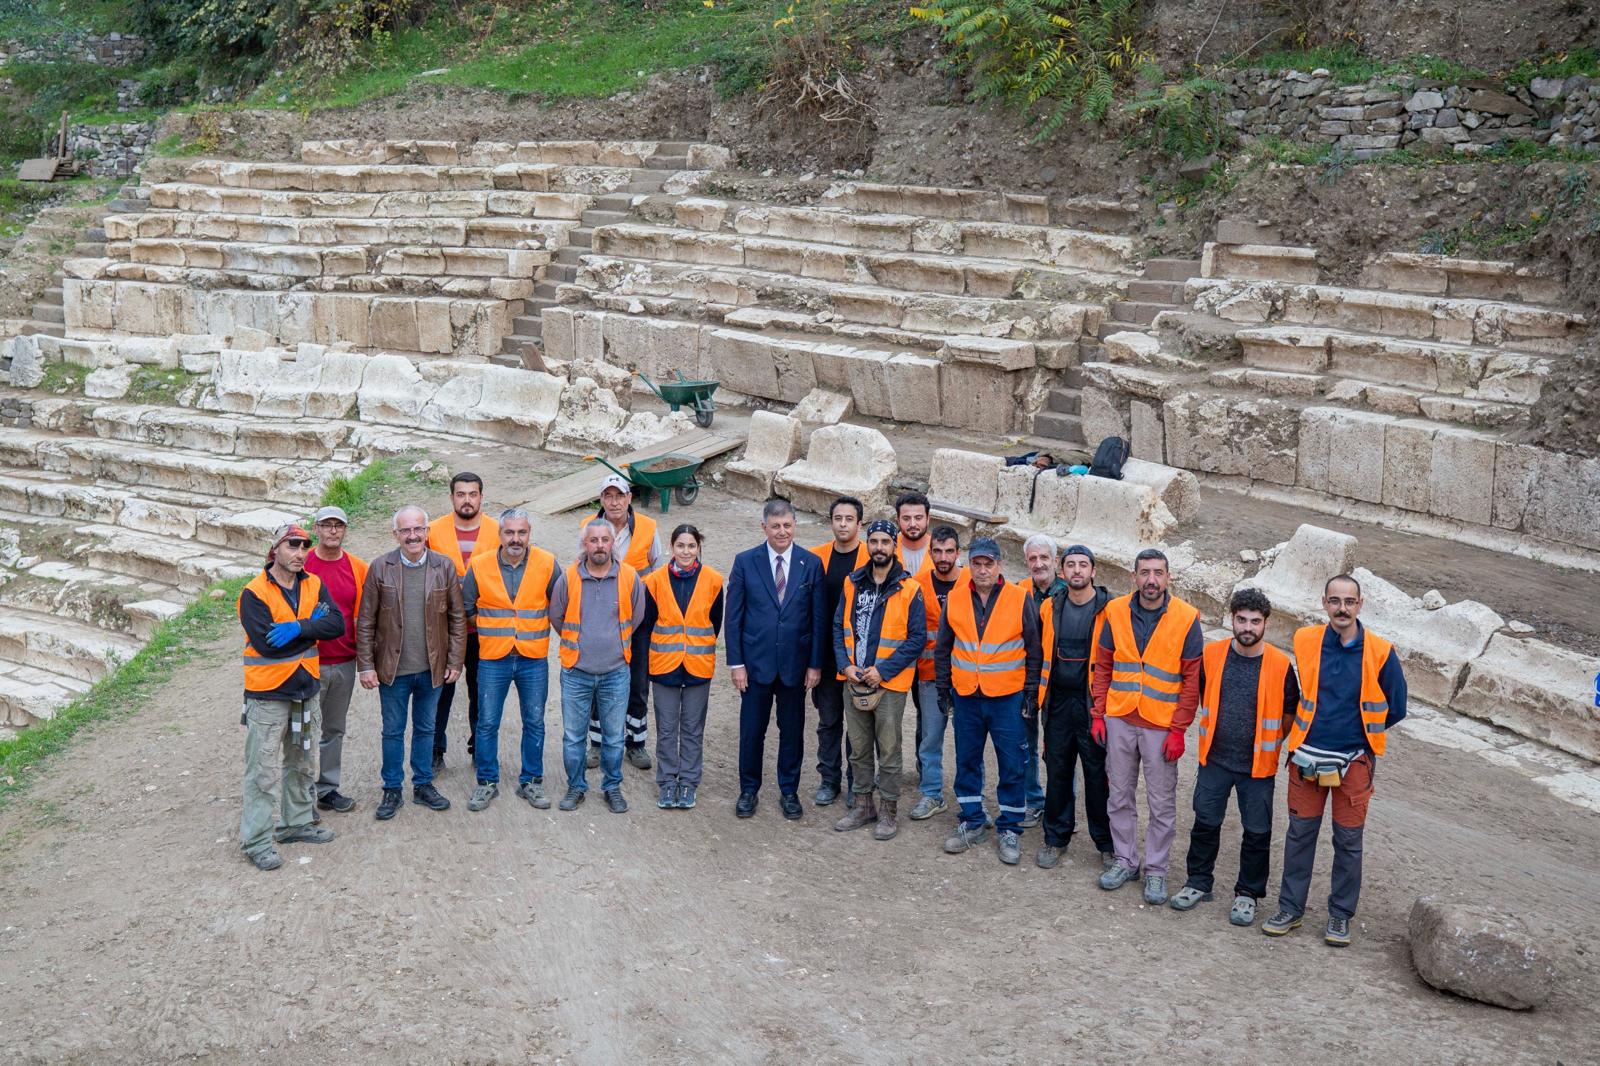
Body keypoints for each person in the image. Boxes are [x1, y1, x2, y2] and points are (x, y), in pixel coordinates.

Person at [1264, 574, 1407, 947]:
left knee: (1348, 841)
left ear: (1360, 605)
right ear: (1324, 603)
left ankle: (1340, 916)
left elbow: (1397, 706)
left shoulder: (1380, 651)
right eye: (1334, 601)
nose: (1341, 608)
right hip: (1307, 756)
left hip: (1354, 761)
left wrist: (1360, 736)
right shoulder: (1305, 640)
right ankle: (1290, 909)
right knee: (1299, 837)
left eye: (1349, 601)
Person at [1169, 589, 1300, 925]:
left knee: (1257, 832)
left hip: (1257, 766)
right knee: (1205, 824)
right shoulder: (1211, 655)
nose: (1247, 627)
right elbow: (1198, 695)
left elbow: (1289, 713)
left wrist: (1270, 743)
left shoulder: (1280, 665)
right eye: (1241, 619)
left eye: (1255, 621)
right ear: (1231, 619)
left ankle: (1248, 894)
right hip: (1214, 759)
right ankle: (1198, 882)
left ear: (1266, 624)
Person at [1092, 548, 1203, 905]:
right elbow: (1103, 666)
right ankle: (1126, 859)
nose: (1151, 580)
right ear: (1134, 577)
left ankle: (1156, 870)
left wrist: (1178, 730)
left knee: (1161, 803)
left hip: (1160, 725)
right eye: (1144, 573)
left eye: (1157, 573)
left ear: (1168, 577)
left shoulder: (1186, 618)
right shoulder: (1115, 611)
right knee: (1119, 795)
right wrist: (1098, 713)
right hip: (1121, 718)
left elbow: (1191, 680)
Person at [237, 524, 345, 870]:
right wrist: (313, 625)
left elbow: (337, 625)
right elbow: (267, 644)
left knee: (301, 762)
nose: (300, 553)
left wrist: (298, 627)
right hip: (268, 695)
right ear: (275, 550)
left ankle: (295, 824)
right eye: (292, 546)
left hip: (305, 689)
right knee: (262, 771)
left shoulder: (313, 583)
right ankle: (256, 841)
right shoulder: (253, 593)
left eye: (303, 547)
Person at [935, 537, 1043, 866]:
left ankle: (1009, 827)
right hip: (966, 695)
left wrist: (1030, 693)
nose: (982, 570)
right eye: (977, 563)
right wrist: (944, 689)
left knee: (1012, 763)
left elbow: (1033, 650)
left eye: (989, 564)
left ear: (999, 566)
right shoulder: (955, 598)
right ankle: (972, 820)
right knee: (967, 760)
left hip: (1007, 698)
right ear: (969, 564)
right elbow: (943, 647)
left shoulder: (1019, 598)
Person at [358, 505, 466, 821]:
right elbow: (366, 620)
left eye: (418, 529)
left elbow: (458, 619)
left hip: (431, 667)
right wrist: (366, 664)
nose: (413, 535)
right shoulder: (380, 568)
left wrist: (455, 661)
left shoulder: (444, 567)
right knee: (392, 730)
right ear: (396, 534)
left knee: (425, 728)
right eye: (405, 530)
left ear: (427, 532)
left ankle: (422, 784)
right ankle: (392, 788)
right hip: (393, 669)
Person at [725, 497, 828, 821]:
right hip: (755, 666)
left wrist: (814, 664)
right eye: (775, 526)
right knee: (752, 731)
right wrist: (736, 664)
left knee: (792, 732)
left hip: (794, 667)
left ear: (794, 525)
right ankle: (748, 790)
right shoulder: (745, 562)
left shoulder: (810, 564)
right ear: (764, 527)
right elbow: (734, 618)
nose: (782, 532)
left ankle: (789, 790)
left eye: (787, 525)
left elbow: (818, 619)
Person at [831, 520, 926, 840]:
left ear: (894, 546)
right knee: (858, 749)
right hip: (854, 679)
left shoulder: (910, 588)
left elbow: (916, 639)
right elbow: (838, 627)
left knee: (888, 749)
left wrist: (882, 670)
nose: (879, 547)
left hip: (889, 684)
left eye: (886, 541)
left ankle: (888, 809)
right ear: (867, 544)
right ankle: (862, 804)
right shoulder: (852, 582)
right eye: (874, 541)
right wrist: (845, 665)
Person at [463, 508, 557, 813]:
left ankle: (531, 780)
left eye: (522, 533)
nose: (515, 539)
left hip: (533, 658)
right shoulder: (478, 566)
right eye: (509, 533)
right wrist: (495, 631)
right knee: (487, 722)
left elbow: (560, 603)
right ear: (499, 534)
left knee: (534, 722)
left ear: (529, 534)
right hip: (493, 658)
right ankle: (486, 781)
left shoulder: (548, 563)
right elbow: (467, 608)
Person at [550, 518, 644, 814]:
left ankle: (612, 787)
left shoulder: (629, 577)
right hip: (576, 671)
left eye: (605, 539)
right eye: (594, 540)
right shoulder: (569, 577)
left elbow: (637, 616)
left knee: (615, 737)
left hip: (616, 671)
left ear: (613, 543)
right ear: (585, 544)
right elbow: (557, 617)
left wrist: (614, 646)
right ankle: (576, 786)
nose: (600, 545)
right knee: (574, 736)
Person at [1035, 544, 1114, 871]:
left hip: (1093, 705)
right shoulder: (1050, 608)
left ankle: (1107, 844)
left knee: (1098, 776)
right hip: (1057, 704)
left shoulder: (1111, 610)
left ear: (1093, 571)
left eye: (1083, 565)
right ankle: (1055, 837)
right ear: (1061, 570)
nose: (1077, 570)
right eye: (1071, 565)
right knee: (1058, 772)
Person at [582, 474, 664, 773]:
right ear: (601, 500)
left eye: (620, 495)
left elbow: (657, 572)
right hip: (599, 617)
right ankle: (597, 743)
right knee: (596, 679)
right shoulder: (589, 528)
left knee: (639, 680)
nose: (614, 501)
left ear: (629, 498)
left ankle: (636, 742)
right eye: (608, 496)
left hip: (638, 620)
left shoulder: (649, 528)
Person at [641, 524, 724, 810]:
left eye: (691, 546)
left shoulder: (713, 581)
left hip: (699, 667)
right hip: (664, 665)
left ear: (698, 548)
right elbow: (647, 623)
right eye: (681, 546)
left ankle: (688, 783)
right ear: (672, 548)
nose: (686, 551)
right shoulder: (653, 581)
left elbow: (716, 623)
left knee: (692, 728)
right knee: (666, 728)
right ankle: (666, 783)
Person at [428, 472, 499, 769]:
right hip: (444, 628)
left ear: (482, 497)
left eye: (472, 494)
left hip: (484, 627)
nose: (467, 500)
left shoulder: (498, 531)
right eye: (461, 494)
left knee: (481, 691)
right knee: (439, 691)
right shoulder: (433, 530)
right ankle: (434, 749)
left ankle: (479, 747)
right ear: (452, 497)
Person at [303, 505, 367, 816]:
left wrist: (366, 660)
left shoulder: (357, 568)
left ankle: (327, 789)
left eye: (337, 526)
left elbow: (366, 616)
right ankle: (301, 797)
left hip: (343, 660)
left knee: (334, 728)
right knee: (303, 730)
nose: (332, 531)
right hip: (307, 660)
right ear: (316, 529)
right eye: (326, 525)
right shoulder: (303, 564)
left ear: (344, 530)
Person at [808, 495, 867, 807]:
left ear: (859, 524)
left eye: (849, 519)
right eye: (838, 519)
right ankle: (829, 779)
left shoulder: (873, 557)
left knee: (858, 726)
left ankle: (857, 782)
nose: (843, 524)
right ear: (831, 522)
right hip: (828, 657)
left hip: (859, 659)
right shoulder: (816, 557)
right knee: (828, 721)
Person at [907, 526, 966, 821]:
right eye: (938, 551)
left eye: (949, 551)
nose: (943, 557)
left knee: (969, 741)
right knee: (930, 739)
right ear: (930, 553)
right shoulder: (917, 584)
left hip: (969, 677)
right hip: (930, 675)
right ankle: (932, 794)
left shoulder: (971, 581)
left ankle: (972, 800)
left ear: (958, 553)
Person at [1019, 534, 1064, 828]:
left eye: (1044, 557)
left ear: (1055, 561)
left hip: (1061, 684)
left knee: (1060, 750)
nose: (1039, 564)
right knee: (1025, 745)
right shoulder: (1020, 592)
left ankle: (1061, 807)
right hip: (1027, 681)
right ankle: (1033, 800)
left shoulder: (1069, 592)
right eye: (1033, 559)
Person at [894, 491, 933, 577]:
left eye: (918, 518)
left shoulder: (942, 550)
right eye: (906, 518)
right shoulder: (887, 548)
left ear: (928, 519)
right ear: (898, 520)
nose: (912, 524)